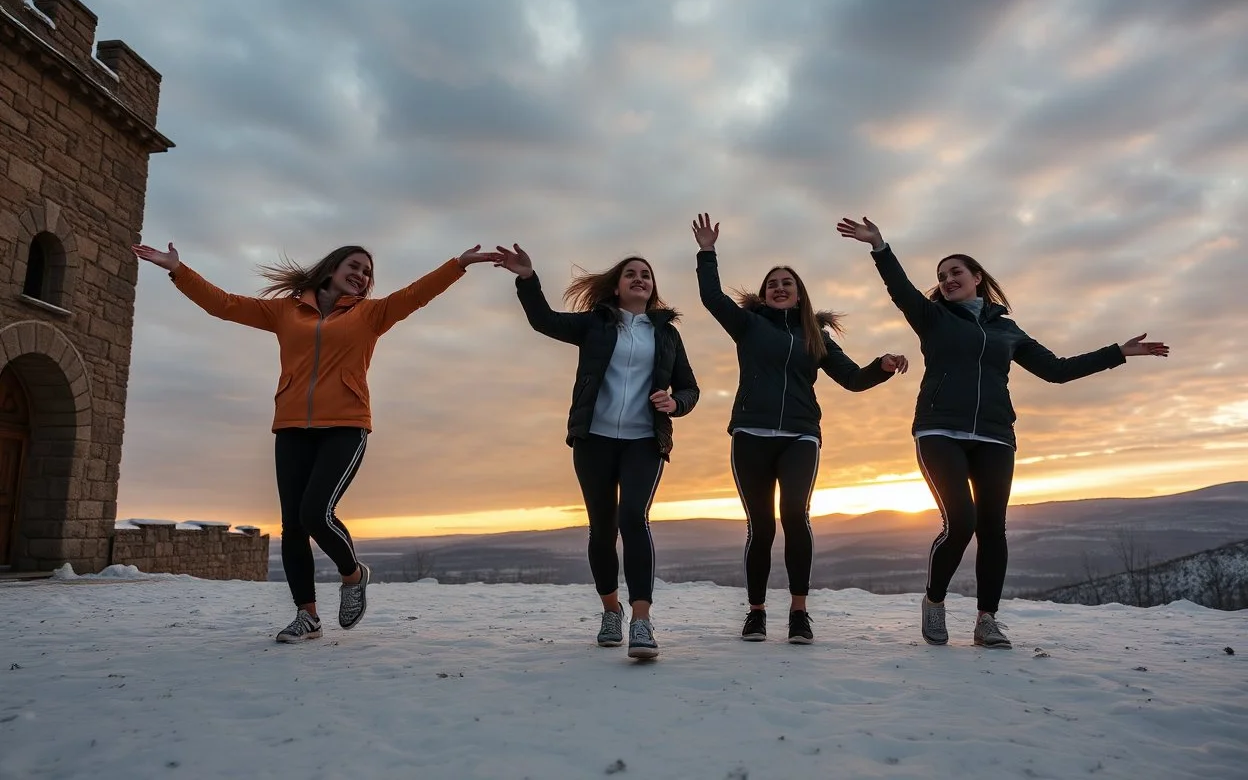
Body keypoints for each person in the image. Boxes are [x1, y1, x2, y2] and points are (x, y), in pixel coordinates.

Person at [131, 240, 499, 643]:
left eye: (367, 272)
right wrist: (178, 270)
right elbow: (225, 305)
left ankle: (353, 574)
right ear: (331, 268)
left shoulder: (372, 314)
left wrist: (458, 264)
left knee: (316, 512)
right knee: (293, 525)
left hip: (346, 424)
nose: (361, 275)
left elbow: (415, 295)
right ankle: (307, 617)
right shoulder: (286, 311)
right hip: (291, 427)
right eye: (354, 266)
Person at [836, 216, 1169, 649]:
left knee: (993, 527)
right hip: (940, 431)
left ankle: (986, 620)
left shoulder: (1006, 330)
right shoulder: (932, 317)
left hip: (995, 436)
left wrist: (1117, 353)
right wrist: (879, 245)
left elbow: (1057, 371)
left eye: (956, 271)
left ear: (977, 278)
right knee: (962, 521)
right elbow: (899, 289)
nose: (948, 279)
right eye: (941, 276)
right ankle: (934, 601)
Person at [691, 213, 909, 644]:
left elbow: (852, 379)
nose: (779, 287)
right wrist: (707, 252)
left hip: (800, 435)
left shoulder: (817, 336)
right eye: (772, 283)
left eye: (787, 283)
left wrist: (882, 367)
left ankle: (799, 612)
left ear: (799, 293)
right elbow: (712, 298)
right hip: (750, 434)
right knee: (761, 525)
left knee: (794, 515)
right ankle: (756, 612)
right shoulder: (748, 325)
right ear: (764, 293)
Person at [494, 244, 699, 659]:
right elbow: (543, 321)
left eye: (646, 274)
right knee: (602, 529)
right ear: (617, 287)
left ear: (653, 287)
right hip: (594, 439)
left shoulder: (666, 334)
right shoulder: (596, 325)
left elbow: (690, 387)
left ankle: (641, 620)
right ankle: (611, 611)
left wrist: (675, 403)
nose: (640, 278)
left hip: (645, 440)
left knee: (633, 519)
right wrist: (527, 279)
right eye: (630, 274)